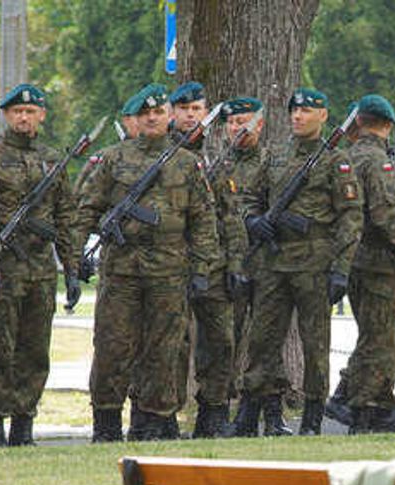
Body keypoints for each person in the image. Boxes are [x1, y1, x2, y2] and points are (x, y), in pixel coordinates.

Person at [77, 83, 220, 441]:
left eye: (158, 112)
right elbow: (86, 210)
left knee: (164, 347)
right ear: (135, 120)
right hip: (121, 268)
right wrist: (76, 254)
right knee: (112, 345)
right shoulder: (113, 159)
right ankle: (106, 422)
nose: (152, 119)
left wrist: (202, 270)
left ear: (169, 116)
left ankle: (154, 420)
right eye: (145, 114)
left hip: (169, 269)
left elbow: (203, 220)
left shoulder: (186, 163)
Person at [238, 87, 363, 436]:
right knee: (262, 340)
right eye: (294, 110)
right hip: (274, 261)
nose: (298, 116)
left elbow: (350, 217)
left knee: (315, 344)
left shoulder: (335, 161)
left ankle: (312, 417)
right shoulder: (274, 156)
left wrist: (341, 269)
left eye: (306, 111)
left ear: (323, 116)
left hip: (314, 264)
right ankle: (254, 412)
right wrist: (253, 221)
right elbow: (250, 198)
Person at [0, 83, 81, 446]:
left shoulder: (53, 160)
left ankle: (23, 424)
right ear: (7, 115)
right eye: (17, 112)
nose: (24, 117)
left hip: (40, 270)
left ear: (42, 115)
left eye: (31, 111)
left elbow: (66, 216)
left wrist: (72, 269)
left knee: (35, 349)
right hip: (4, 268)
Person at [213, 97, 292, 437]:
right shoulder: (216, 165)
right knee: (225, 339)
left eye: (244, 122)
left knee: (266, 340)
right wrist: (246, 219)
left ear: (259, 124)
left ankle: (270, 413)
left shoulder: (273, 161)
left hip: (266, 262)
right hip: (229, 262)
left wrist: (262, 221)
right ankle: (220, 410)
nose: (238, 128)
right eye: (232, 122)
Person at [343, 94, 395, 433]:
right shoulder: (377, 161)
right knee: (381, 338)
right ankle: (370, 407)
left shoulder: (346, 157)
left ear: (359, 121)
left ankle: (363, 402)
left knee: (369, 334)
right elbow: (387, 212)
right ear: (387, 125)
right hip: (379, 262)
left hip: (353, 259)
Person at [169, 81, 236, 437]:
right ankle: (166, 412)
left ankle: (214, 412)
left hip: (214, 266)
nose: (191, 116)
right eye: (184, 109)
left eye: (196, 109)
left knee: (220, 341)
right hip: (173, 265)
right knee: (173, 343)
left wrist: (236, 265)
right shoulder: (163, 154)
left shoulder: (216, 157)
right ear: (172, 113)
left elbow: (231, 216)